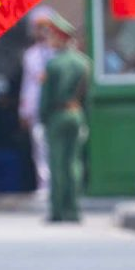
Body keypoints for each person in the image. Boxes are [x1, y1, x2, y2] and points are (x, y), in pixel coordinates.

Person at [37, 13, 91, 224]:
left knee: (57, 163)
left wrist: (42, 120)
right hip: (76, 115)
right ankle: (74, 210)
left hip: (57, 117)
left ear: (60, 38)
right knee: (74, 164)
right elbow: (87, 97)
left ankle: (58, 211)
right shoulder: (84, 63)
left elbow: (45, 99)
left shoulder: (53, 65)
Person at [17, 8, 60, 204]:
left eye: (45, 27)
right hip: (36, 107)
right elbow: (28, 84)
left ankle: (60, 184)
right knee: (40, 147)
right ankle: (45, 185)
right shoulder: (31, 55)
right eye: (38, 28)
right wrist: (23, 110)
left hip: (56, 106)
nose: (42, 31)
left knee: (57, 146)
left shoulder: (58, 52)